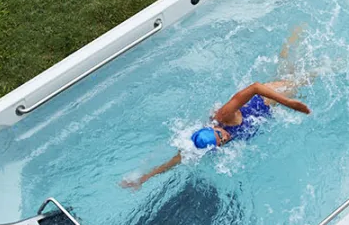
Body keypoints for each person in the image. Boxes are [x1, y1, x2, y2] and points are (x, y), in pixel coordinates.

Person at [121, 26, 313, 190]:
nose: (225, 138)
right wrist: (144, 179)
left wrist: (287, 103)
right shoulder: (202, 145)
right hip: (266, 113)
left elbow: (255, 87)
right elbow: (174, 161)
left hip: (264, 100)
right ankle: (294, 40)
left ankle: (303, 39)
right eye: (222, 141)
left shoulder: (224, 116)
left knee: (304, 79)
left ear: (215, 128)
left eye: (221, 135)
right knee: (290, 72)